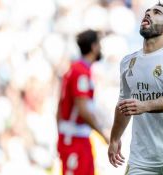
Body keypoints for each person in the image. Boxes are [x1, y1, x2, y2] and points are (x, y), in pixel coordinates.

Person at [108, 3, 163, 175]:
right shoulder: (128, 62)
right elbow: (123, 104)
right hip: (141, 159)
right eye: (147, 12)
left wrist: (144, 106)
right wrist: (114, 138)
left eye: (156, 12)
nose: (148, 14)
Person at [56, 29, 109, 175]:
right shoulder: (80, 72)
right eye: (99, 44)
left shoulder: (76, 69)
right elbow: (82, 110)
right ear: (93, 47)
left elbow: (60, 107)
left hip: (76, 139)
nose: (101, 48)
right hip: (74, 141)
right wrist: (103, 135)